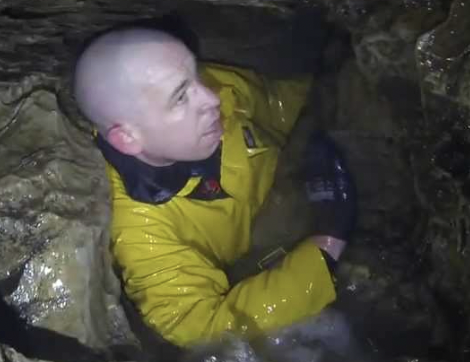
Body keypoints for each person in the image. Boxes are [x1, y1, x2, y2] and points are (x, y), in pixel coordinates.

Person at [72, 25, 357, 348]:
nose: (210, 95)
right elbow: (203, 326)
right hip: (258, 254)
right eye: (181, 97)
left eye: (195, 73)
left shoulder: (217, 88)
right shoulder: (140, 232)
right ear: (127, 138)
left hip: (287, 180)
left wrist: (328, 110)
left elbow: (280, 100)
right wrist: (327, 244)